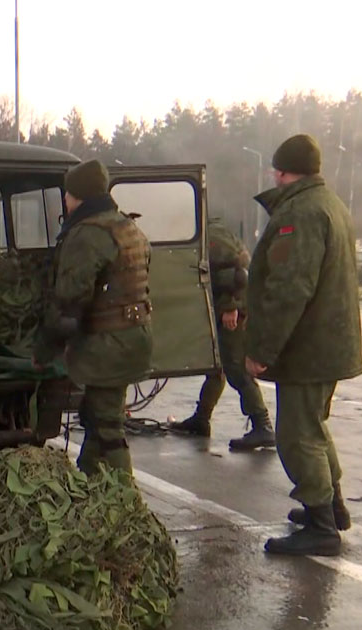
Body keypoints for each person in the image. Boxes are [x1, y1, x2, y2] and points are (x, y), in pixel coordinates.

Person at [246, 133, 362, 556]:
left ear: (280, 170)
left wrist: (261, 349)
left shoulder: (302, 212)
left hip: (307, 347)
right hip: (328, 343)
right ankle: (331, 507)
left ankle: (321, 526)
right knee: (313, 426)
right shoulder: (330, 203)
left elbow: (289, 288)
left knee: (297, 435)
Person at [34, 159, 153, 478]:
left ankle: (125, 501)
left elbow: (69, 301)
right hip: (133, 337)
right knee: (96, 414)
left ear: (79, 196)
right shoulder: (127, 227)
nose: (65, 200)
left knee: (107, 424)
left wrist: (44, 350)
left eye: (68, 194)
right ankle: (89, 479)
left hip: (108, 345)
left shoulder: (88, 234)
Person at [169, 218, 274, 450]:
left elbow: (234, 271)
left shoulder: (212, 234)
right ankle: (201, 418)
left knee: (235, 366)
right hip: (228, 306)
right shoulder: (210, 231)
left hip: (233, 309)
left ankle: (262, 425)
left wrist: (230, 307)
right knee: (217, 366)